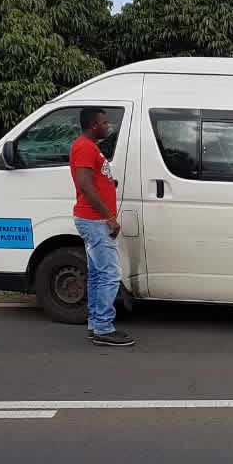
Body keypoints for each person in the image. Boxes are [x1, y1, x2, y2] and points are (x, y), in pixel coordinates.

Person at [71, 107, 133, 347]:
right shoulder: (85, 148)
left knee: (98, 273)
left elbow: (93, 181)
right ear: (93, 125)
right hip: (95, 220)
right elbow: (85, 185)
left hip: (94, 219)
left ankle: (96, 324)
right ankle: (103, 328)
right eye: (104, 123)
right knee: (110, 274)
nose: (108, 126)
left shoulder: (89, 147)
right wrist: (109, 218)